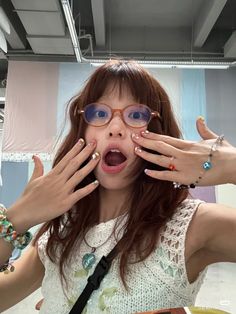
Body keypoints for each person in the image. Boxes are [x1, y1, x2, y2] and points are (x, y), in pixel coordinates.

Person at [0, 59, 236, 314]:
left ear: (158, 132)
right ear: (82, 131)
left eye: (136, 115)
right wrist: (15, 218)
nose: (115, 128)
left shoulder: (191, 226)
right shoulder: (62, 232)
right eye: (99, 114)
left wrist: (233, 165)